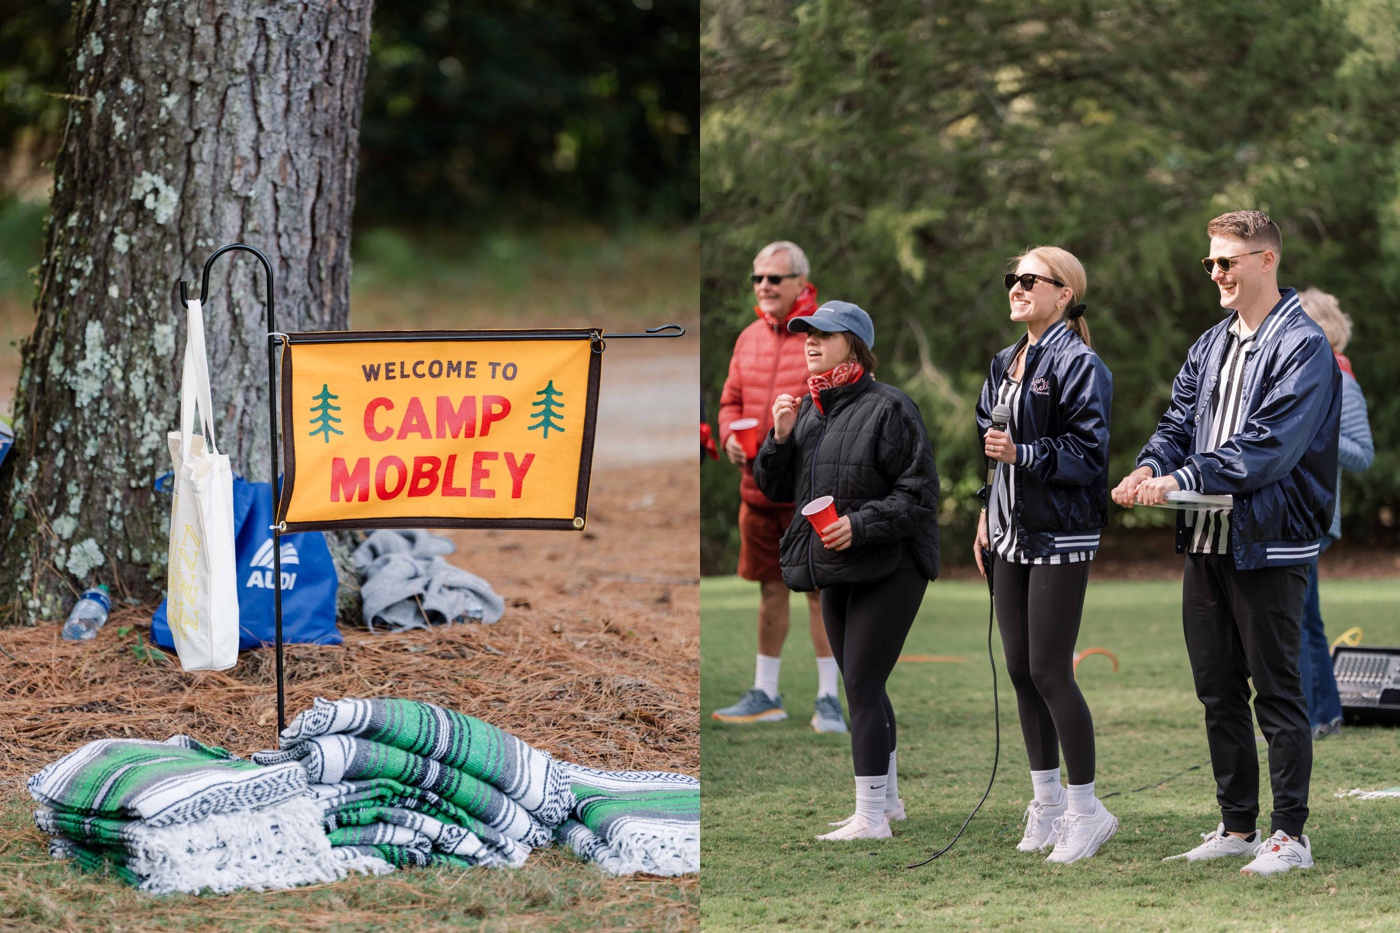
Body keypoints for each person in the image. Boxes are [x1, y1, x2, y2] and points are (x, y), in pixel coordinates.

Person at [1112, 210, 1340, 877]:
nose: (1215, 272)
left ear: (1266, 260)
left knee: (1277, 689)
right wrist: (1151, 465)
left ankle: (1290, 834)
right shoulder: (1211, 342)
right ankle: (1238, 824)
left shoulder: (1304, 345)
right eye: (1210, 261)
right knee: (1216, 687)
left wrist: (1184, 473)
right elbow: (1179, 419)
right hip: (1206, 538)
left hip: (1271, 540)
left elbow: (1268, 448)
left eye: (1227, 261)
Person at [752, 301, 940, 841]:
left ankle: (870, 817)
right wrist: (781, 438)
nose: (809, 341)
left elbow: (920, 496)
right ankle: (890, 803)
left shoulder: (891, 408)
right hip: (835, 565)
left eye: (823, 334)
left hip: (894, 562)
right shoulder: (809, 409)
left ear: (854, 344)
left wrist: (858, 526)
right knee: (868, 684)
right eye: (805, 334)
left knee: (858, 682)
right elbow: (774, 488)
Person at [975, 246, 1117, 864]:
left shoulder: (1081, 363)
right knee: (1019, 670)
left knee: (1051, 671)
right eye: (1013, 279)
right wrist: (986, 508)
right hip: (1008, 531)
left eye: (1031, 279)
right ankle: (1047, 802)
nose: (1018, 287)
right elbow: (992, 446)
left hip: (1060, 533)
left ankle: (1088, 812)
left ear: (1064, 295)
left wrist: (1025, 456)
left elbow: (1087, 456)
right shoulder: (1005, 361)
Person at [712, 242, 847, 734]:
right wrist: (729, 434)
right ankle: (766, 693)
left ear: (800, 283)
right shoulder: (748, 337)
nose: (764, 287)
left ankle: (829, 699)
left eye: (774, 278)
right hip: (756, 489)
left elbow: (846, 405)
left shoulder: (824, 334)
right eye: (758, 278)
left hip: (808, 492)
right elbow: (729, 402)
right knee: (770, 589)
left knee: (817, 592)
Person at [1295, 288, 1374, 739]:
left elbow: (1363, 455)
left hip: (1316, 514)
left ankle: (1312, 717)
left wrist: (1312, 434)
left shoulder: (1342, 379)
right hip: (1294, 512)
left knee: (1296, 620)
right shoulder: (1307, 376)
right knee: (1305, 619)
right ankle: (1324, 715)